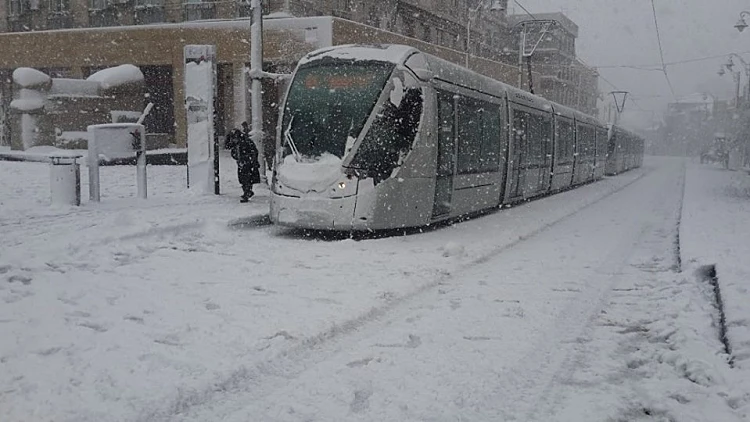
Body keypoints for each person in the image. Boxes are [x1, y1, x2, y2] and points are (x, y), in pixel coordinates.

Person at [226, 122, 260, 202]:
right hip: (244, 163)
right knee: (244, 178)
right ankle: (247, 191)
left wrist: (247, 160)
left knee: (246, 178)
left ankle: (247, 192)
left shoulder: (245, 142)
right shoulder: (238, 143)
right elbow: (229, 147)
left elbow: (253, 152)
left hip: (247, 163)